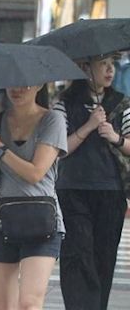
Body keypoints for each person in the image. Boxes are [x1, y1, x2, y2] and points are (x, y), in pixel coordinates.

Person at [0, 85, 67, 310]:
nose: (17, 89)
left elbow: (35, 173)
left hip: (41, 220)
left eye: (25, 84)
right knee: (4, 305)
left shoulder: (52, 120)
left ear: (39, 85)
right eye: (12, 83)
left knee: (29, 304)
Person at [53, 54, 130, 310]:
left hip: (111, 192)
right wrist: (88, 126)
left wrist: (115, 137)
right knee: (77, 257)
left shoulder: (121, 103)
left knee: (104, 259)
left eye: (112, 64)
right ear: (85, 67)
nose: (110, 70)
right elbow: (58, 148)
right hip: (72, 189)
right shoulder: (64, 102)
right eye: (103, 64)